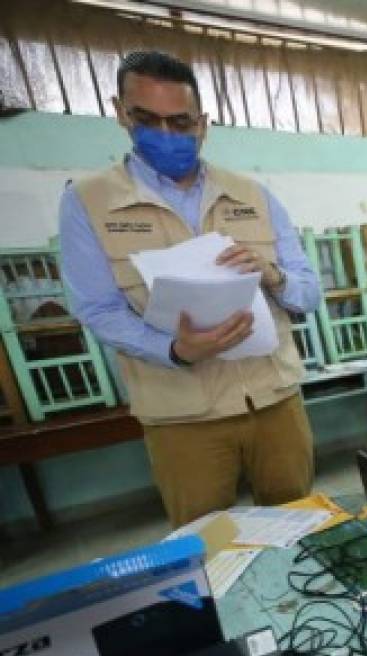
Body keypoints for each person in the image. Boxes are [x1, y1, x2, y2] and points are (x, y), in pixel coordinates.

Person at [60, 50, 321, 528]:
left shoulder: (252, 194)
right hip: (182, 414)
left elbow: (307, 292)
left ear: (203, 123)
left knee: (298, 529)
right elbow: (97, 309)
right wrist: (175, 349)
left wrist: (272, 275)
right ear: (121, 113)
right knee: (206, 547)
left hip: (274, 399)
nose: (166, 134)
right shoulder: (89, 201)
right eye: (147, 119)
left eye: (180, 122)